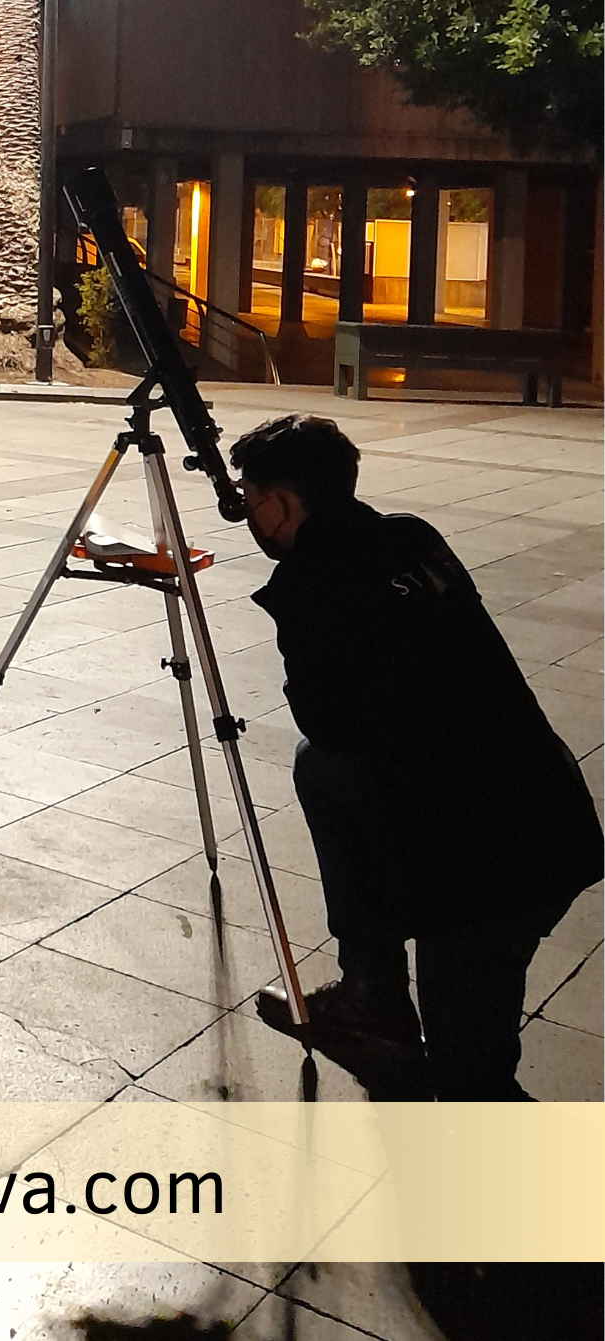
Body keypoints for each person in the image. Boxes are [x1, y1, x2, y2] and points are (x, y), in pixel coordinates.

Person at [230, 412, 603, 1100]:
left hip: (483, 864)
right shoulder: (409, 536)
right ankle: (371, 988)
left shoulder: (311, 581)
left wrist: (294, 609)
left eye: (250, 500)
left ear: (281, 502)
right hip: (553, 807)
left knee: (470, 1074)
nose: (248, 516)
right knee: (320, 767)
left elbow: (326, 716)